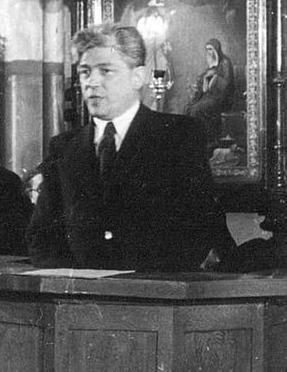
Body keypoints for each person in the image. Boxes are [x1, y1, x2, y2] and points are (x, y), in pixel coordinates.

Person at [26, 24, 236, 271]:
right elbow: (41, 238)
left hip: (154, 288)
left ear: (138, 77)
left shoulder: (177, 136)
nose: (92, 82)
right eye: (85, 72)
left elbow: (199, 227)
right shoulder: (64, 148)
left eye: (106, 71)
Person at [185, 38, 236, 146]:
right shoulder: (211, 62)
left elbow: (227, 83)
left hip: (222, 98)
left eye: (211, 49)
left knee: (196, 110)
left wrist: (215, 76)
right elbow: (205, 78)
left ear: (216, 49)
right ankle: (191, 139)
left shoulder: (225, 62)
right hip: (210, 96)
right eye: (207, 49)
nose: (209, 52)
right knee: (188, 108)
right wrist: (203, 79)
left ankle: (205, 139)